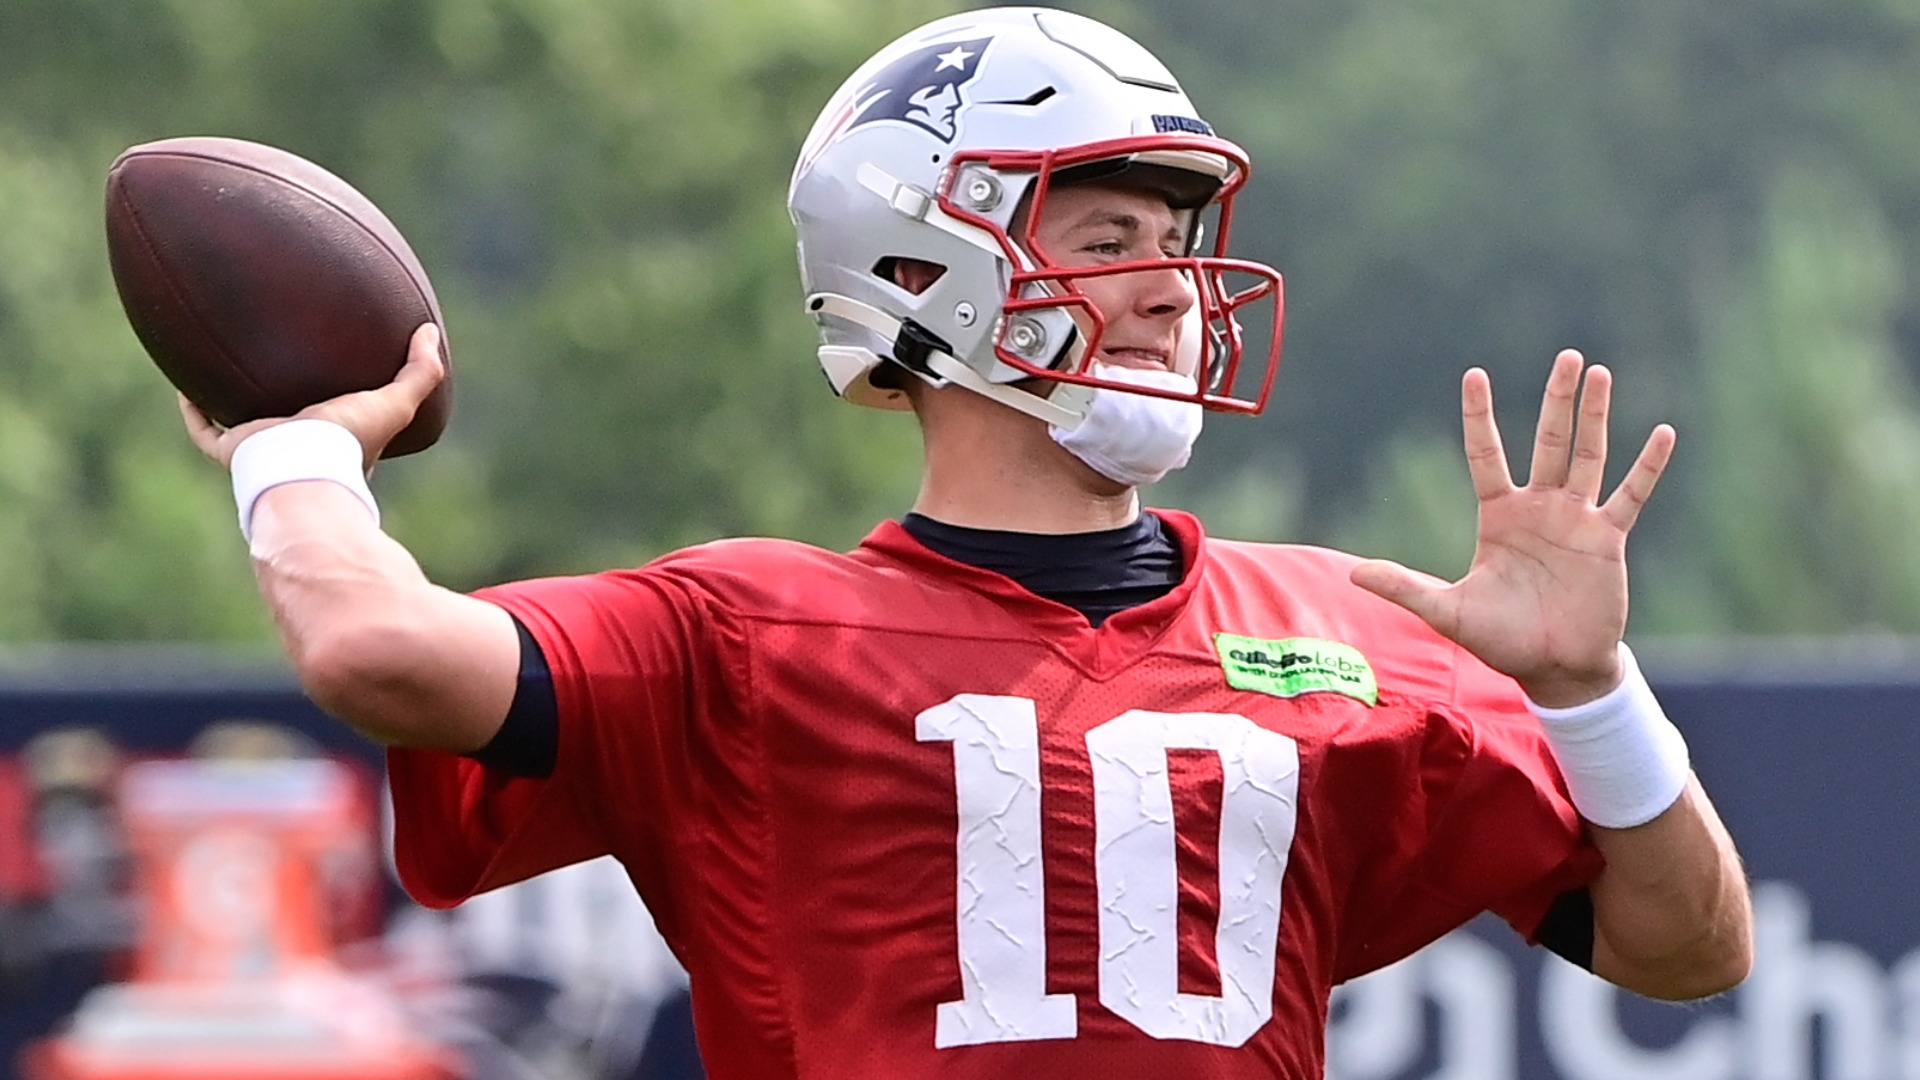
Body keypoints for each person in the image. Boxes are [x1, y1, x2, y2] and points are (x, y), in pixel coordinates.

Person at [179, 7, 1752, 1077]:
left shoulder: (1347, 619)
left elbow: (1687, 952)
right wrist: (299, 445)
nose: (1172, 287)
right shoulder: (742, 638)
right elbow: (371, 646)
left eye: (1180, 244)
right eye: (1108, 235)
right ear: (922, 263)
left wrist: (1593, 697)